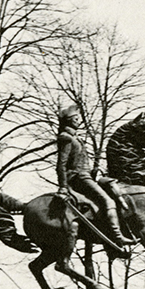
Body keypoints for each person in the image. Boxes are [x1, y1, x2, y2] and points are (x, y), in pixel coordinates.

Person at [55, 104, 134, 252]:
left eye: (78, 118)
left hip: (85, 176)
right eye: (75, 118)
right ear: (69, 120)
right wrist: (63, 186)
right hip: (78, 177)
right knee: (107, 200)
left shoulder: (75, 138)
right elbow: (61, 164)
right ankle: (118, 236)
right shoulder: (66, 138)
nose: (78, 121)